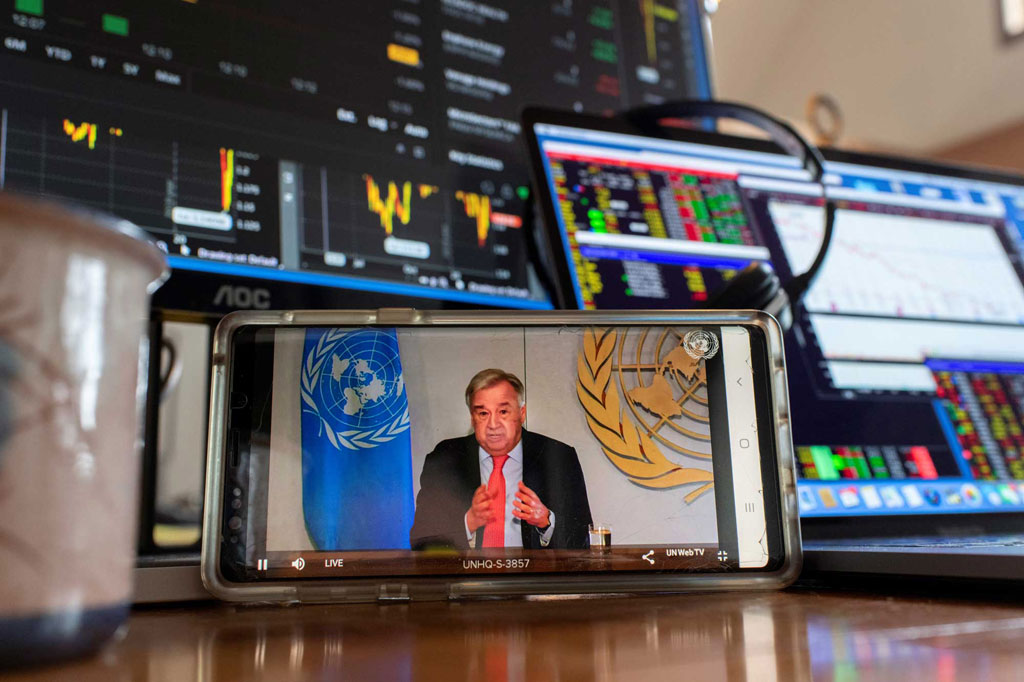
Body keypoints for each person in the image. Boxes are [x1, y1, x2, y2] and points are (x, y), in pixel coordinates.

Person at [409, 369, 592, 550]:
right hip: (469, 577)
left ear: (521, 413)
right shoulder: (445, 458)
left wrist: (546, 521)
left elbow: (585, 540)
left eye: (503, 411)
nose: (493, 425)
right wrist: (468, 523)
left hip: (533, 578)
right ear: (473, 418)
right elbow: (421, 542)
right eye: (483, 414)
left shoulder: (558, 457)